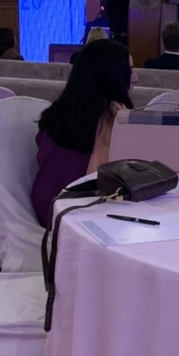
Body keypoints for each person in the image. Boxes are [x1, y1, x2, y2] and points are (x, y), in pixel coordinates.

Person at [31, 38, 136, 226]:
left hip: (44, 209)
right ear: (112, 78)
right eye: (130, 71)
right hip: (74, 217)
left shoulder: (58, 114)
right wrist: (126, 127)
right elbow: (111, 190)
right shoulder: (109, 120)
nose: (135, 78)